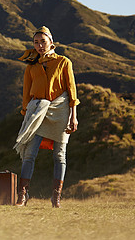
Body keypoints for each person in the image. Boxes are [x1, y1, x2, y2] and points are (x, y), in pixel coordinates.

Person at [13, 26, 79, 208]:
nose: (40, 45)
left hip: (61, 111)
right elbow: (26, 94)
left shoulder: (64, 62)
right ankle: (22, 195)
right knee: (29, 154)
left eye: (43, 41)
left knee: (60, 156)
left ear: (51, 42)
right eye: (36, 42)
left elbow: (72, 91)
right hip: (37, 112)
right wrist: (26, 115)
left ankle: (56, 197)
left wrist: (74, 117)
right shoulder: (31, 66)